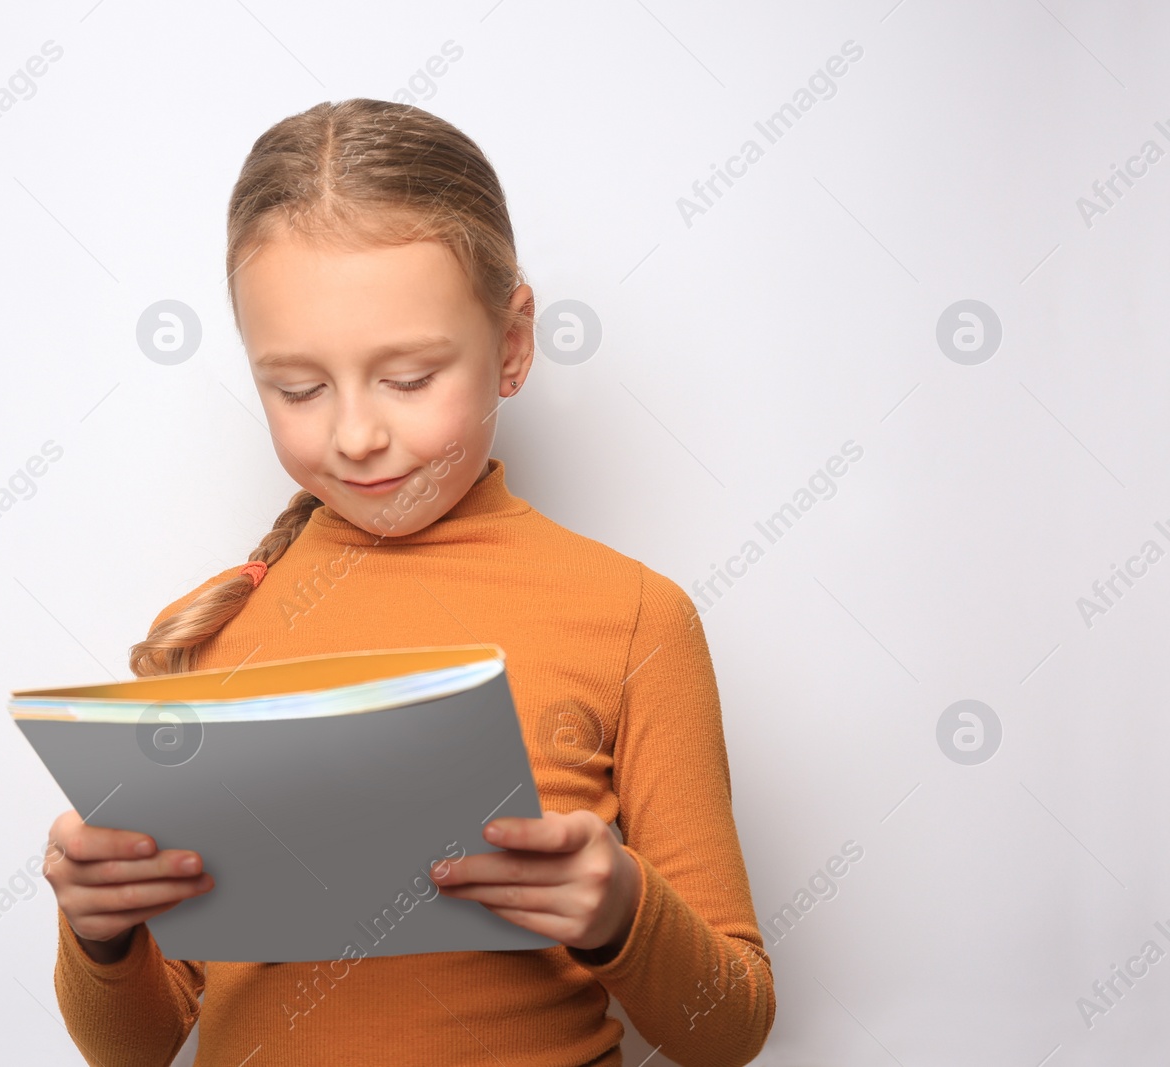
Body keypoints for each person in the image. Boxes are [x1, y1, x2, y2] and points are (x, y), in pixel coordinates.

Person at [42, 97, 774, 1067]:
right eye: (297, 388)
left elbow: (727, 1029)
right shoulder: (212, 631)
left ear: (510, 342)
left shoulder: (634, 619)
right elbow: (132, 1047)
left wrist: (621, 908)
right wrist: (101, 931)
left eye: (410, 375)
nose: (353, 434)